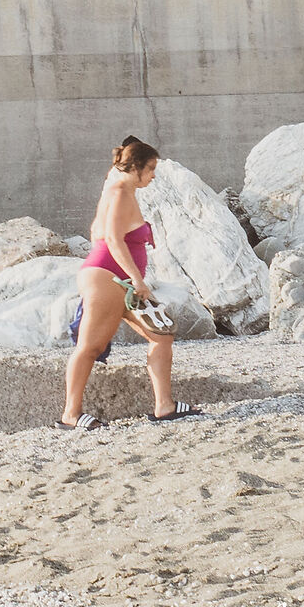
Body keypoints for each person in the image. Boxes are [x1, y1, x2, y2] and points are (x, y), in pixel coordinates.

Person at [61, 135, 203, 429]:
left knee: (161, 336)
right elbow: (111, 239)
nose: (153, 177)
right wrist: (138, 281)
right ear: (135, 167)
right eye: (150, 169)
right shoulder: (120, 193)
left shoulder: (116, 189)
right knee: (89, 347)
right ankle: (70, 415)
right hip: (109, 279)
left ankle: (164, 405)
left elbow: (94, 231)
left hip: (118, 281)